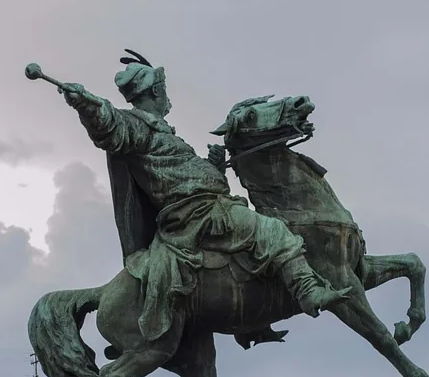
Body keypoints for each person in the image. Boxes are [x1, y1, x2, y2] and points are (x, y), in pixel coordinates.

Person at [59, 52, 350, 342]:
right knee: (272, 230)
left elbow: (184, 177)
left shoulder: (162, 132)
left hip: (209, 206)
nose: (167, 95)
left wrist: (212, 166)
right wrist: (85, 102)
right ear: (157, 91)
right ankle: (308, 291)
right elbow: (109, 126)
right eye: (164, 89)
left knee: (252, 250)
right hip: (196, 215)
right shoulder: (136, 126)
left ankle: (255, 320)